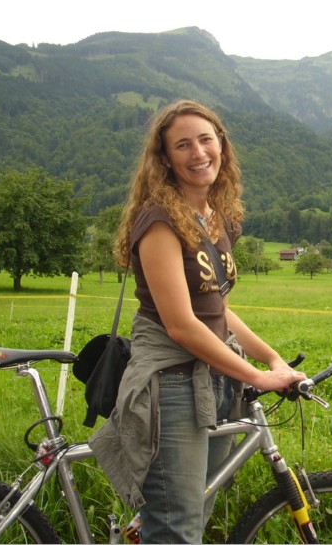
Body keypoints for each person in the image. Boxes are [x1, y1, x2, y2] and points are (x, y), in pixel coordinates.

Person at [89, 99, 306, 544]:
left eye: (206, 140)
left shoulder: (215, 217)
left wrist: (272, 358)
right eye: (182, 145)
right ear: (165, 158)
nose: (198, 152)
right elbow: (182, 325)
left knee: (192, 509)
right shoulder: (160, 222)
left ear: (221, 146)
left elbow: (218, 309)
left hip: (213, 375)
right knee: (178, 527)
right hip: (170, 382)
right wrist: (257, 378)